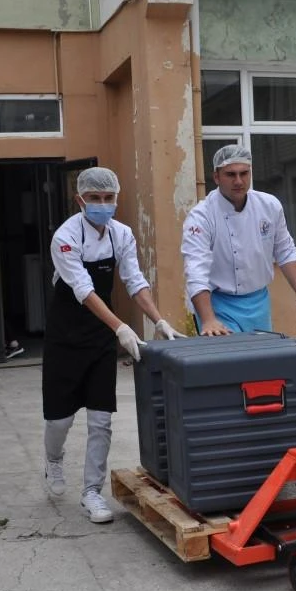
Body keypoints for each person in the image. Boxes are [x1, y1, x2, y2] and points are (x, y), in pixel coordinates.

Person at [42, 166, 183, 522]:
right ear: (80, 200)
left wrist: (159, 320)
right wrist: (121, 326)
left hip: (100, 337)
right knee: (60, 420)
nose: (102, 204)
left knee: (101, 421)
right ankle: (54, 461)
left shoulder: (121, 234)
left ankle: (92, 492)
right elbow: (83, 290)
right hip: (65, 334)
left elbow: (134, 280)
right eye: (94, 198)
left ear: (116, 200)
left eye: (108, 198)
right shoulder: (65, 237)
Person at [181, 144, 296, 335]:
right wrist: (209, 320)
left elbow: (284, 249)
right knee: (229, 361)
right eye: (230, 174)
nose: (239, 181)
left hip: (258, 303)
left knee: (260, 361)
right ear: (216, 177)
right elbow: (195, 270)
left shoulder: (269, 206)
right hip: (217, 304)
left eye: (244, 173)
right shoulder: (201, 216)